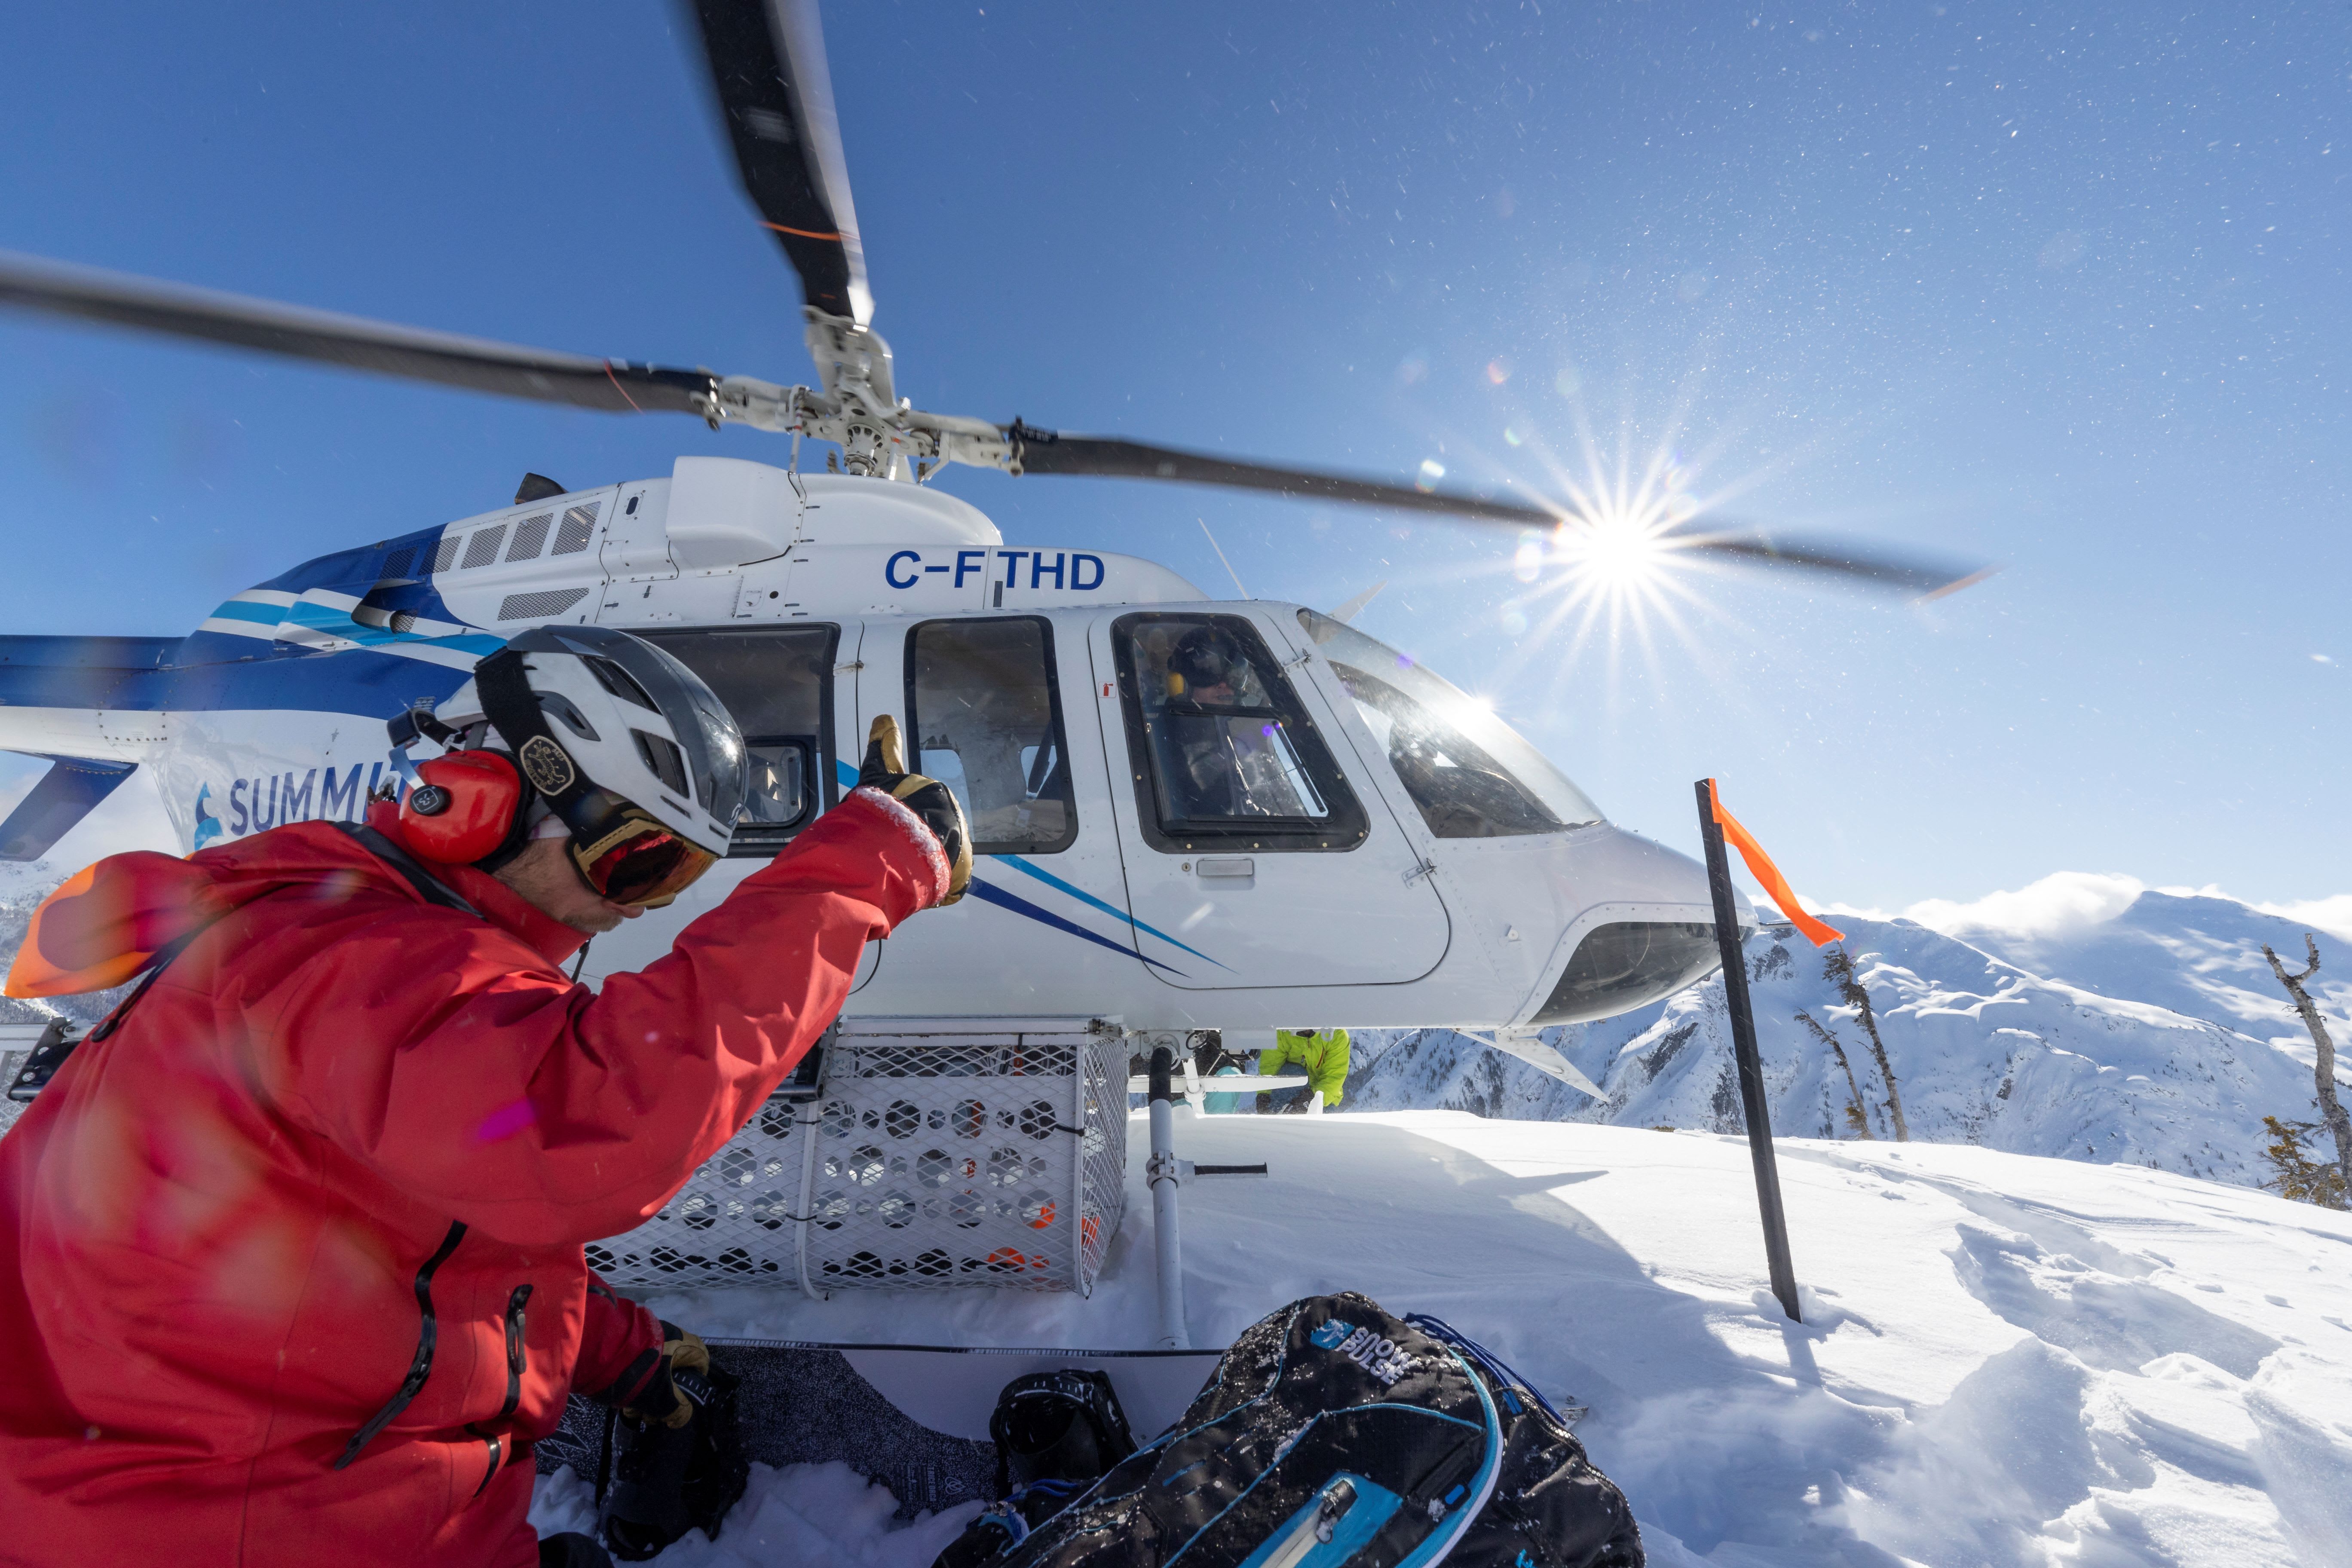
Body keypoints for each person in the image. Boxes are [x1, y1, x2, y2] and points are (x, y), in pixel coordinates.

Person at [0, 625, 971, 1568]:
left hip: (186, 1503)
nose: (631, 907)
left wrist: (623, 1354)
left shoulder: (331, 946)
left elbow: (405, 1247)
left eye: (674, 879)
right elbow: (586, 1127)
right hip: (253, 1527)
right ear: (488, 797)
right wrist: (866, 863)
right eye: (636, 861)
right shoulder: (357, 960)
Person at [1256, 1027, 1351, 1114]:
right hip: (1292, 1091)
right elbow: (1270, 1066)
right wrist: (1263, 1095)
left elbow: (1334, 1077)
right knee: (1292, 1072)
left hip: (1326, 1097)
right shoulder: (1283, 1030)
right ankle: (1277, 1117)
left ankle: (1283, 1118)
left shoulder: (1336, 1034)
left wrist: (1309, 1098)